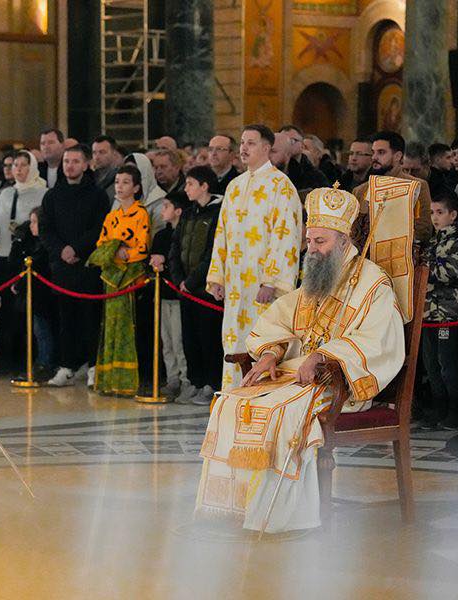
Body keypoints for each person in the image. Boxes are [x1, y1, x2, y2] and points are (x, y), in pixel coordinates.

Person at [195, 186, 405, 533]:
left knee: (280, 412)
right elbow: (280, 316)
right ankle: (234, 506)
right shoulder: (318, 278)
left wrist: (324, 356)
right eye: (310, 240)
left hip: (340, 383)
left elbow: (380, 340)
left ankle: (282, 515)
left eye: (320, 241)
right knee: (231, 401)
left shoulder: (372, 283)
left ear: (343, 240)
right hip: (295, 377)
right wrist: (270, 352)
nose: (312, 248)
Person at [206, 124, 303, 389]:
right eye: (242, 143)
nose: (243, 148)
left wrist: (272, 281)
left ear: (266, 147)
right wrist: (217, 277)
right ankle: (233, 399)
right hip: (236, 284)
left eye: (250, 143)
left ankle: (259, 401)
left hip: (263, 287)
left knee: (263, 343)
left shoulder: (281, 186)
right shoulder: (235, 186)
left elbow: (286, 237)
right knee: (233, 343)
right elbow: (222, 234)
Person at [40, 144, 111, 387]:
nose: (70, 166)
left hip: (88, 266)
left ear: (86, 164)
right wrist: (62, 250)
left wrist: (77, 249)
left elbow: (100, 227)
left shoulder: (97, 195)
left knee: (91, 318)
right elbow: (45, 229)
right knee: (65, 319)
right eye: (67, 161)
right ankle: (66, 366)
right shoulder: (52, 196)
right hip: (62, 267)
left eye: (75, 161)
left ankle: (93, 366)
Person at [0, 150, 47, 375]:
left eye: (23, 165)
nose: (17, 169)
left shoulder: (42, 193)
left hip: (25, 259)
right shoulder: (6, 193)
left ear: (32, 167)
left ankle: (28, 359)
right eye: (15, 165)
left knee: (24, 312)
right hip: (2, 255)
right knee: (3, 311)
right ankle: (4, 359)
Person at [89, 165, 150, 396]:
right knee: (109, 326)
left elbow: (142, 247)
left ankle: (128, 381)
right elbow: (101, 244)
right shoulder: (112, 216)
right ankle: (109, 380)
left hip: (130, 278)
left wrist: (125, 254)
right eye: (117, 182)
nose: (120, 186)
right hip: (111, 277)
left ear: (136, 187)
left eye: (125, 182)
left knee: (129, 327)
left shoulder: (140, 213)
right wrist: (114, 251)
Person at [420, 192, 458, 429]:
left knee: (449, 365)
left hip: (450, 314)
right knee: (432, 364)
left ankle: (456, 410)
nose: (435, 217)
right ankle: (439, 408)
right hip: (429, 313)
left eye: (440, 212)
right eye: (432, 212)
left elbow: (451, 272)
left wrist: (422, 269)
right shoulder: (435, 240)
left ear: (453, 215)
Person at [169, 166, 224, 405]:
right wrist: (179, 279)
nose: (186, 188)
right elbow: (175, 247)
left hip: (205, 290)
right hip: (186, 290)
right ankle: (195, 381)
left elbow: (213, 251)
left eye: (191, 184)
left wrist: (192, 282)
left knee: (208, 337)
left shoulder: (218, 213)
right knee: (189, 338)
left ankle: (211, 383)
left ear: (204, 186)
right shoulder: (188, 213)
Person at [352, 131, 433, 242]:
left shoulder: (417, 186)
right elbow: (354, 232)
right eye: (373, 152)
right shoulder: (360, 191)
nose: (374, 157)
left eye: (381, 152)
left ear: (397, 156)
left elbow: (423, 230)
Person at [9, 207, 57, 382]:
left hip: (42, 295)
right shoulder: (31, 243)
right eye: (31, 222)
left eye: (35, 222)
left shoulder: (46, 245)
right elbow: (15, 260)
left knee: (42, 331)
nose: (31, 226)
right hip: (32, 294)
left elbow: (36, 267)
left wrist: (20, 284)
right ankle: (38, 363)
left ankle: (45, 364)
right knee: (37, 331)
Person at [149, 193, 189, 399]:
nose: (162, 210)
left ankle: (185, 379)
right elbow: (152, 259)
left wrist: (165, 260)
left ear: (178, 211)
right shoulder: (160, 236)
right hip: (162, 295)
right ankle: (172, 378)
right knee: (167, 340)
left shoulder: (184, 233)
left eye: (167, 206)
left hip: (179, 296)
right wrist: (155, 262)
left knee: (179, 340)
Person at [278, 124, 330, 193]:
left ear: (302, 145)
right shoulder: (273, 169)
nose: (287, 144)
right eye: (283, 141)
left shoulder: (315, 176)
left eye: (292, 141)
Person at [92, 134, 122, 203]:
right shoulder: (89, 178)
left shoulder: (122, 178)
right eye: (94, 153)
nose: (97, 157)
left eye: (102, 152)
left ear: (114, 153)